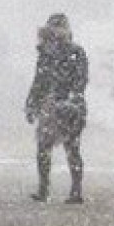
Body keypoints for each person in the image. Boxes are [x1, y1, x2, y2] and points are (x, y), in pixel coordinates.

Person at [25, 13, 88, 204]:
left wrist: (33, 103)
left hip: (56, 105)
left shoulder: (49, 53)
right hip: (66, 105)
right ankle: (74, 190)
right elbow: (81, 80)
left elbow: (40, 81)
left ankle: (46, 190)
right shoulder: (73, 52)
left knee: (47, 148)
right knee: (71, 148)